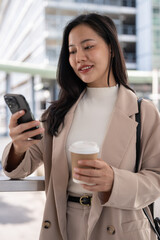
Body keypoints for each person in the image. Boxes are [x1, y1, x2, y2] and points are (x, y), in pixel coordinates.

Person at [2, 13, 160, 240]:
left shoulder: (143, 111)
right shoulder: (57, 113)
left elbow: (156, 178)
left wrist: (114, 182)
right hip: (65, 226)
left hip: (120, 228)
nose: (79, 58)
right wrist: (18, 147)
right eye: (72, 51)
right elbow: (20, 169)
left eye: (88, 47)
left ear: (111, 48)